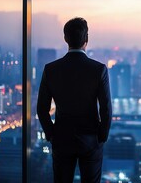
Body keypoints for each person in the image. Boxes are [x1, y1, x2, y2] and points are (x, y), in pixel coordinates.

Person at [37, 17, 112, 183]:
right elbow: (105, 108)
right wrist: (101, 136)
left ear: (65, 38)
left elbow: (42, 109)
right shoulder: (99, 69)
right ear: (86, 39)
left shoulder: (51, 70)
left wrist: (52, 134)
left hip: (62, 138)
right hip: (91, 138)